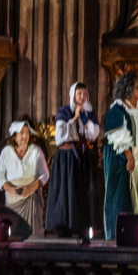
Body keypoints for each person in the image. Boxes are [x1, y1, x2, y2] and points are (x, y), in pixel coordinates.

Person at [103, 73, 138, 239]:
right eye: (137, 87)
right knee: (123, 194)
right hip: (123, 157)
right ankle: (122, 233)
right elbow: (117, 134)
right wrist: (129, 156)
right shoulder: (117, 109)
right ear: (128, 90)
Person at [46, 82, 100, 237]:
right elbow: (60, 136)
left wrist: (84, 118)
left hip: (83, 158)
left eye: (84, 93)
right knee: (66, 190)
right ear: (73, 95)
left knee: (82, 192)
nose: (82, 97)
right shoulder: (64, 111)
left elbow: (93, 134)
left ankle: (82, 226)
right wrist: (75, 118)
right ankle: (64, 226)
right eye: (79, 94)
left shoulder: (89, 112)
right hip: (67, 158)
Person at [0, 121, 50, 239]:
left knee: (33, 235)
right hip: (13, 199)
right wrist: (8, 187)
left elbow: (45, 174)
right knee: (14, 234)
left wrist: (32, 187)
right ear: (14, 136)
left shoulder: (36, 151)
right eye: (21, 133)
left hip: (31, 198)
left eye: (27, 133)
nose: (25, 136)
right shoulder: (6, 152)